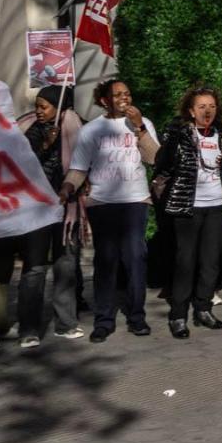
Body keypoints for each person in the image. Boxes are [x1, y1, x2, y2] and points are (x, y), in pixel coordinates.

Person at [64, 78, 159, 343]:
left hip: (135, 201)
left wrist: (139, 127)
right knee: (105, 261)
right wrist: (67, 187)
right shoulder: (92, 129)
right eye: (117, 95)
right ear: (104, 100)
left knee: (135, 258)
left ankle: (137, 317)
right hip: (102, 202)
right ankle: (103, 320)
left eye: (127, 94)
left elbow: (154, 158)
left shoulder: (143, 123)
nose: (124, 98)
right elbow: (79, 167)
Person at [155, 86, 222, 338]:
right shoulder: (180, 134)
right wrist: (172, 137)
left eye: (211, 106)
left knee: (210, 263)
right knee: (185, 261)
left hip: (217, 206)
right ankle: (178, 315)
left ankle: (203, 309)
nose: (207, 111)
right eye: (201, 106)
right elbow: (163, 163)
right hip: (187, 207)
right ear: (191, 111)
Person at [18, 87, 84, 345]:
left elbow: (85, 160)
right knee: (34, 268)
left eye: (44, 106)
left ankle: (66, 323)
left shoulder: (78, 127)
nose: (38, 111)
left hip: (67, 209)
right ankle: (29, 329)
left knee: (66, 265)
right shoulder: (28, 131)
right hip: (37, 209)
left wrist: (72, 186)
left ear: (60, 108)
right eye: (37, 105)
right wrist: (45, 146)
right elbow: (22, 165)